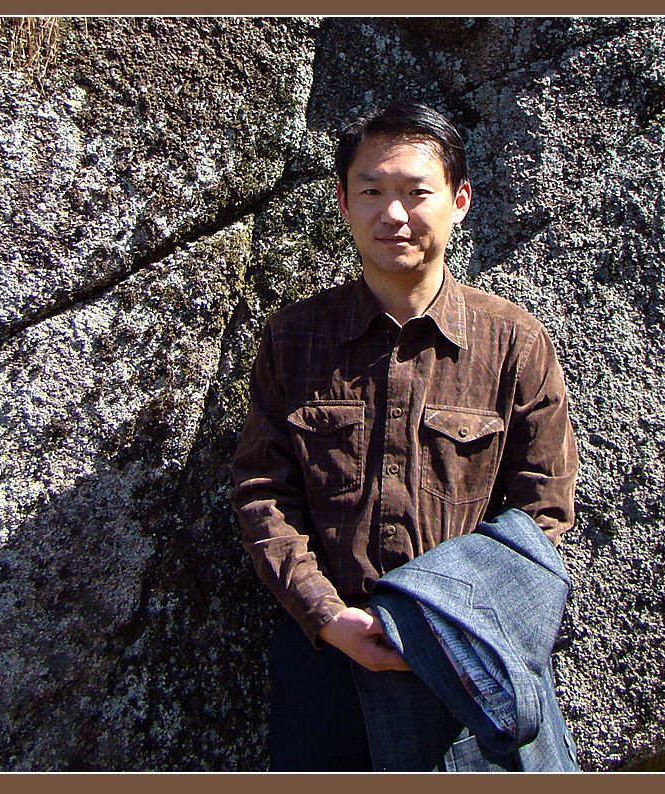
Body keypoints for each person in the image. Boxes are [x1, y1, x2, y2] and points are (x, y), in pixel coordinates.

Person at [231, 100, 578, 771]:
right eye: (371, 191)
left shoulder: (513, 341)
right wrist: (328, 616)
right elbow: (263, 493)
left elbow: (544, 509)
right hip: (328, 663)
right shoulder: (294, 338)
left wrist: (436, 621)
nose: (393, 214)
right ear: (343, 202)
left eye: (417, 192)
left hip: (469, 658)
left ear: (459, 201)